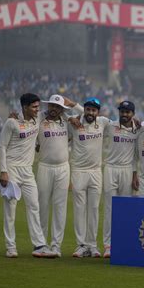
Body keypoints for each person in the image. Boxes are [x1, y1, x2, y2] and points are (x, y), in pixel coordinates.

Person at [0, 93, 56, 258]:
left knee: (34, 206)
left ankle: (39, 245)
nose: (38, 109)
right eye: (34, 107)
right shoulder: (12, 122)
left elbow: (57, 112)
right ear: (24, 107)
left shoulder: (37, 119)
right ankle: (11, 247)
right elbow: (2, 146)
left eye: (38, 106)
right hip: (12, 169)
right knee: (11, 208)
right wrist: (3, 171)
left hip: (27, 170)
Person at [36, 94, 83, 257]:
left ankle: (56, 246)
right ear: (48, 106)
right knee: (42, 206)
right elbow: (24, 118)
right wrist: (15, 116)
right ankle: (40, 244)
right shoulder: (39, 119)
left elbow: (88, 118)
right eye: (52, 106)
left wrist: (74, 105)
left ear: (62, 109)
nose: (54, 109)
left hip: (63, 168)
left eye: (58, 107)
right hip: (44, 167)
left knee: (60, 208)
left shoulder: (68, 121)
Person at [68, 97, 110, 258]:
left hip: (96, 172)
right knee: (79, 209)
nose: (90, 112)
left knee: (93, 210)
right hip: (79, 171)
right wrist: (70, 116)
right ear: (84, 110)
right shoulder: (75, 123)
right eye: (88, 109)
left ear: (98, 112)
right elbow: (57, 115)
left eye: (94, 110)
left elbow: (123, 124)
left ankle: (92, 246)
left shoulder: (103, 122)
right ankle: (81, 245)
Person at [102, 100, 141, 258]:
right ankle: (108, 245)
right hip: (110, 168)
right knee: (109, 208)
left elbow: (136, 156)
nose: (124, 115)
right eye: (122, 112)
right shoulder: (110, 126)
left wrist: (134, 174)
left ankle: (123, 241)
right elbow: (91, 122)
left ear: (133, 114)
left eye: (127, 112)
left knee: (125, 208)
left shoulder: (138, 130)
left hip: (127, 170)